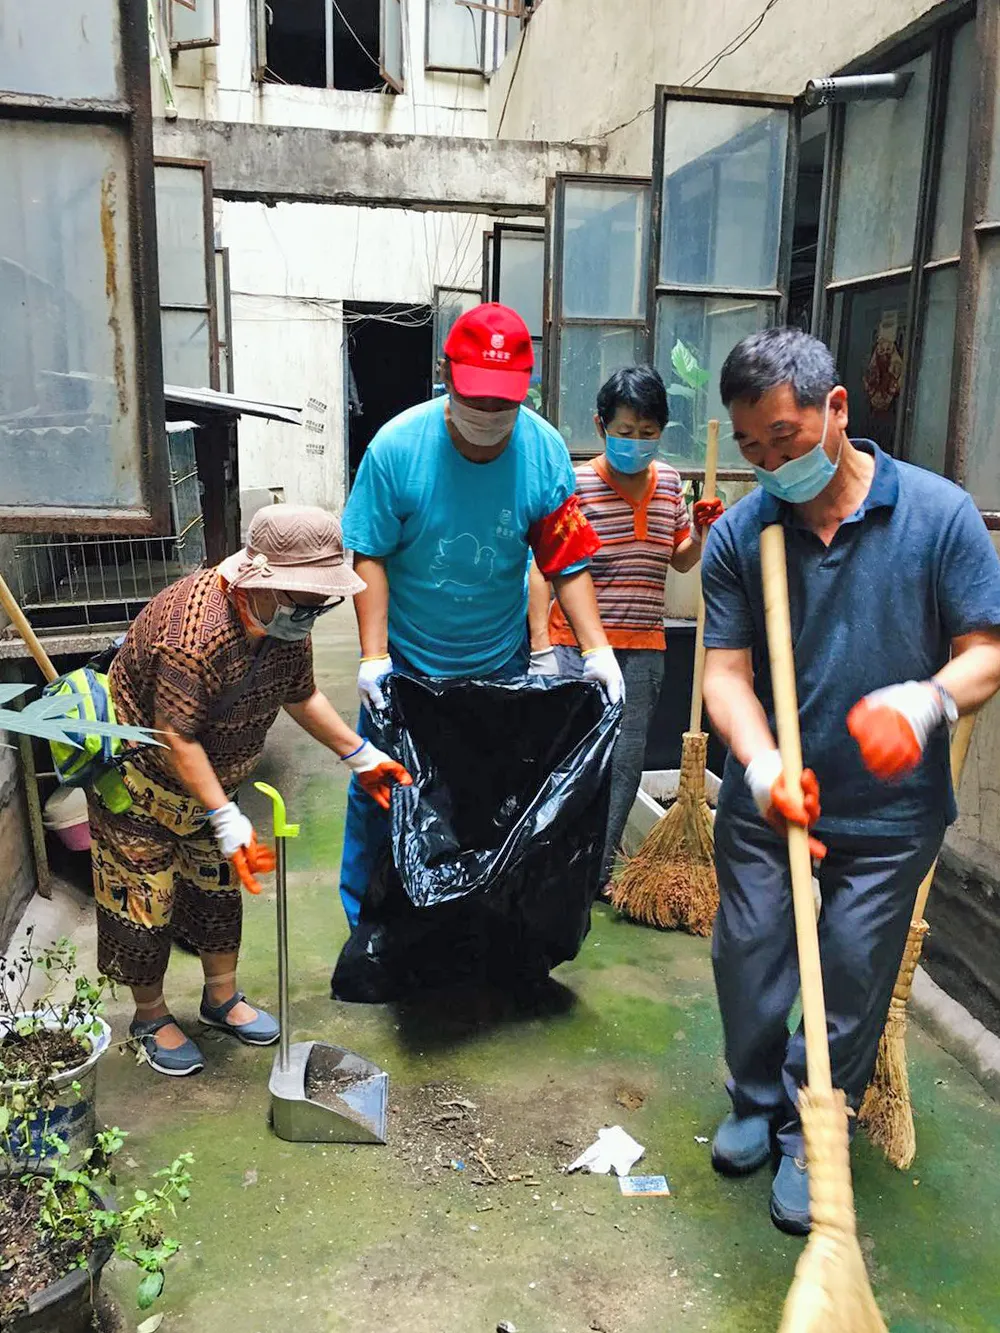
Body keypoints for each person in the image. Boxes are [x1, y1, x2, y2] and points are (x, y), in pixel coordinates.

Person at [700, 327, 1000, 1234]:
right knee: (747, 952)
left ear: (837, 408)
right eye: (751, 448)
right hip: (768, 798)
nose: (767, 465)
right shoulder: (743, 532)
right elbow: (723, 673)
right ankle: (753, 1095)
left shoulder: (941, 516)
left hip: (888, 813)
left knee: (852, 973)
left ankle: (810, 1127)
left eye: (783, 441)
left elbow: (985, 653)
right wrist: (759, 765)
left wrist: (924, 702)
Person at [91, 506, 411, 1077]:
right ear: (256, 581)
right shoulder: (192, 633)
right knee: (145, 898)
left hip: (212, 782)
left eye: (320, 602)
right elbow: (175, 737)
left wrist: (359, 755)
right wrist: (226, 815)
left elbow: (301, 693)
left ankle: (220, 997)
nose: (309, 614)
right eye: (301, 601)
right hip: (143, 781)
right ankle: (148, 1015)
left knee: (218, 889)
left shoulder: (288, 617)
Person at [337, 302, 623, 931]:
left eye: (504, 403)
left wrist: (596, 649)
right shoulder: (397, 449)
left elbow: (565, 559)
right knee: (381, 788)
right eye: (478, 399)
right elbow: (371, 557)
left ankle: (473, 926)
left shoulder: (543, 451)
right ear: (447, 374)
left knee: (486, 795)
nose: (490, 416)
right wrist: (373, 656)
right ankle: (368, 924)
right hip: (407, 663)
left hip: (498, 661)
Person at [527, 365, 723, 890]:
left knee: (624, 766)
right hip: (575, 649)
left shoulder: (671, 486)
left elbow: (680, 560)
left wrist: (701, 534)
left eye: (648, 432)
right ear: (601, 426)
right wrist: (541, 646)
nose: (636, 442)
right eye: (625, 432)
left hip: (644, 649)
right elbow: (547, 565)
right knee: (568, 759)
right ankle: (554, 865)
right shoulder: (576, 482)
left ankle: (597, 874)